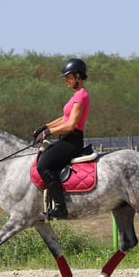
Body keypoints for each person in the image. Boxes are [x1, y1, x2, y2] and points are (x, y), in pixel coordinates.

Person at [32, 58, 90, 220]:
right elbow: (64, 117)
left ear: (78, 76)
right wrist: (45, 126)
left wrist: (48, 132)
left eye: (68, 77)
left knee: (44, 166)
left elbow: (70, 125)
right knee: (43, 158)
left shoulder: (81, 97)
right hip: (66, 139)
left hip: (72, 140)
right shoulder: (76, 95)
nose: (66, 81)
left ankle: (60, 208)